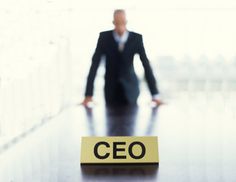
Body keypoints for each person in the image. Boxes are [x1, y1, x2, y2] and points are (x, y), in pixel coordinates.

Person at [82, 9, 163, 107]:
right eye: (117, 22)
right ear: (113, 22)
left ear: (126, 22)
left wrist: (155, 95)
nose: (120, 26)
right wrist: (88, 95)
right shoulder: (104, 38)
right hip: (111, 90)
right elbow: (94, 65)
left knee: (131, 118)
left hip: (131, 90)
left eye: (123, 22)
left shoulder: (136, 39)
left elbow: (146, 65)